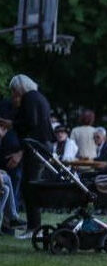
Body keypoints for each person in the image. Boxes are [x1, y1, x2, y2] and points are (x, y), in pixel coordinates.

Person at [9, 74, 54, 239]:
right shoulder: (40, 97)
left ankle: (34, 228)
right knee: (32, 186)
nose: (13, 93)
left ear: (20, 87)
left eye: (14, 89)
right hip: (43, 146)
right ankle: (34, 226)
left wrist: (12, 124)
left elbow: (30, 124)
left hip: (35, 148)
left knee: (30, 187)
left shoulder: (29, 98)